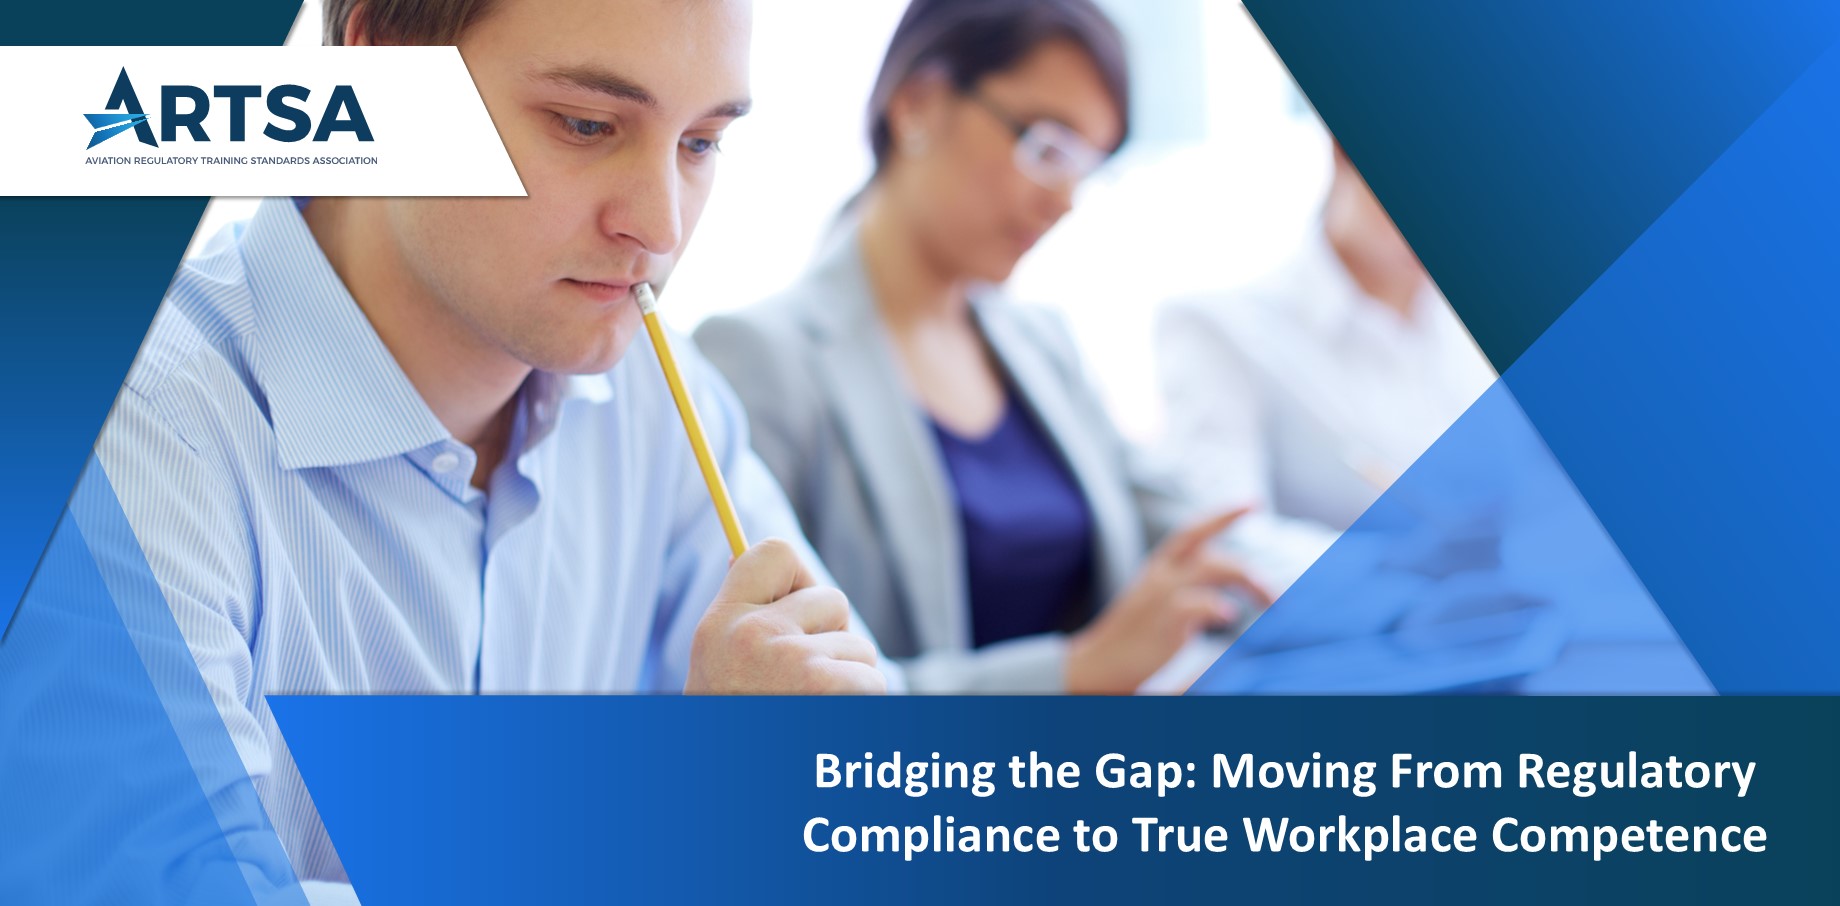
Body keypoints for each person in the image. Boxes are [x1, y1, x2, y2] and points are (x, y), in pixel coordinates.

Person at [79, 0, 889, 900]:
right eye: (586, 125)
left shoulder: (661, 400)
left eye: (700, 143)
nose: (660, 229)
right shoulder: (132, 429)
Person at [695, 0, 1267, 695]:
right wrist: (1079, 670)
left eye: (1088, 166)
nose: (1066, 199)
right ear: (919, 104)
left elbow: (1196, 536)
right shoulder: (757, 359)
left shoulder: (1042, 345)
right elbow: (787, 677)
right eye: (1049, 147)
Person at [1154, 142, 1498, 582]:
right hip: (1354, 635)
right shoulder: (1222, 329)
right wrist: (1399, 570)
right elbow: (1220, 540)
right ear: (1342, 154)